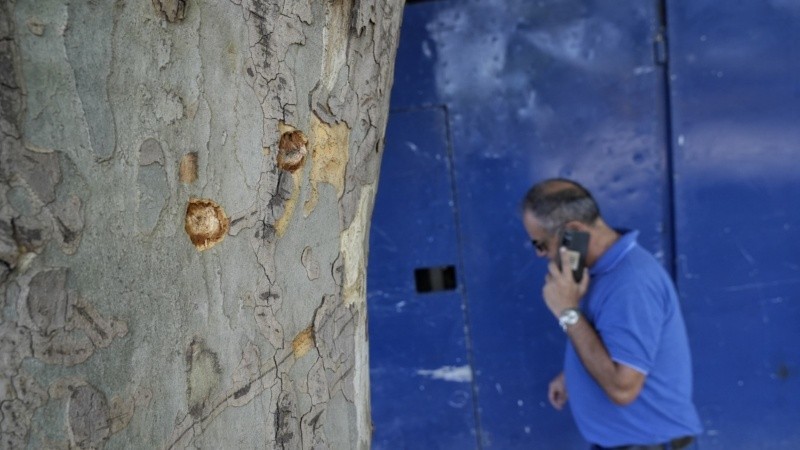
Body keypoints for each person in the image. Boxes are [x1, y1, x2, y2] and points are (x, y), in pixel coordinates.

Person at [520, 178, 702, 450]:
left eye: (541, 244)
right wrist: (574, 375)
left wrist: (567, 313)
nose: (539, 254)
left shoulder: (631, 284)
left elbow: (623, 389)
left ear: (573, 231)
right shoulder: (597, 272)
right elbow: (613, 344)